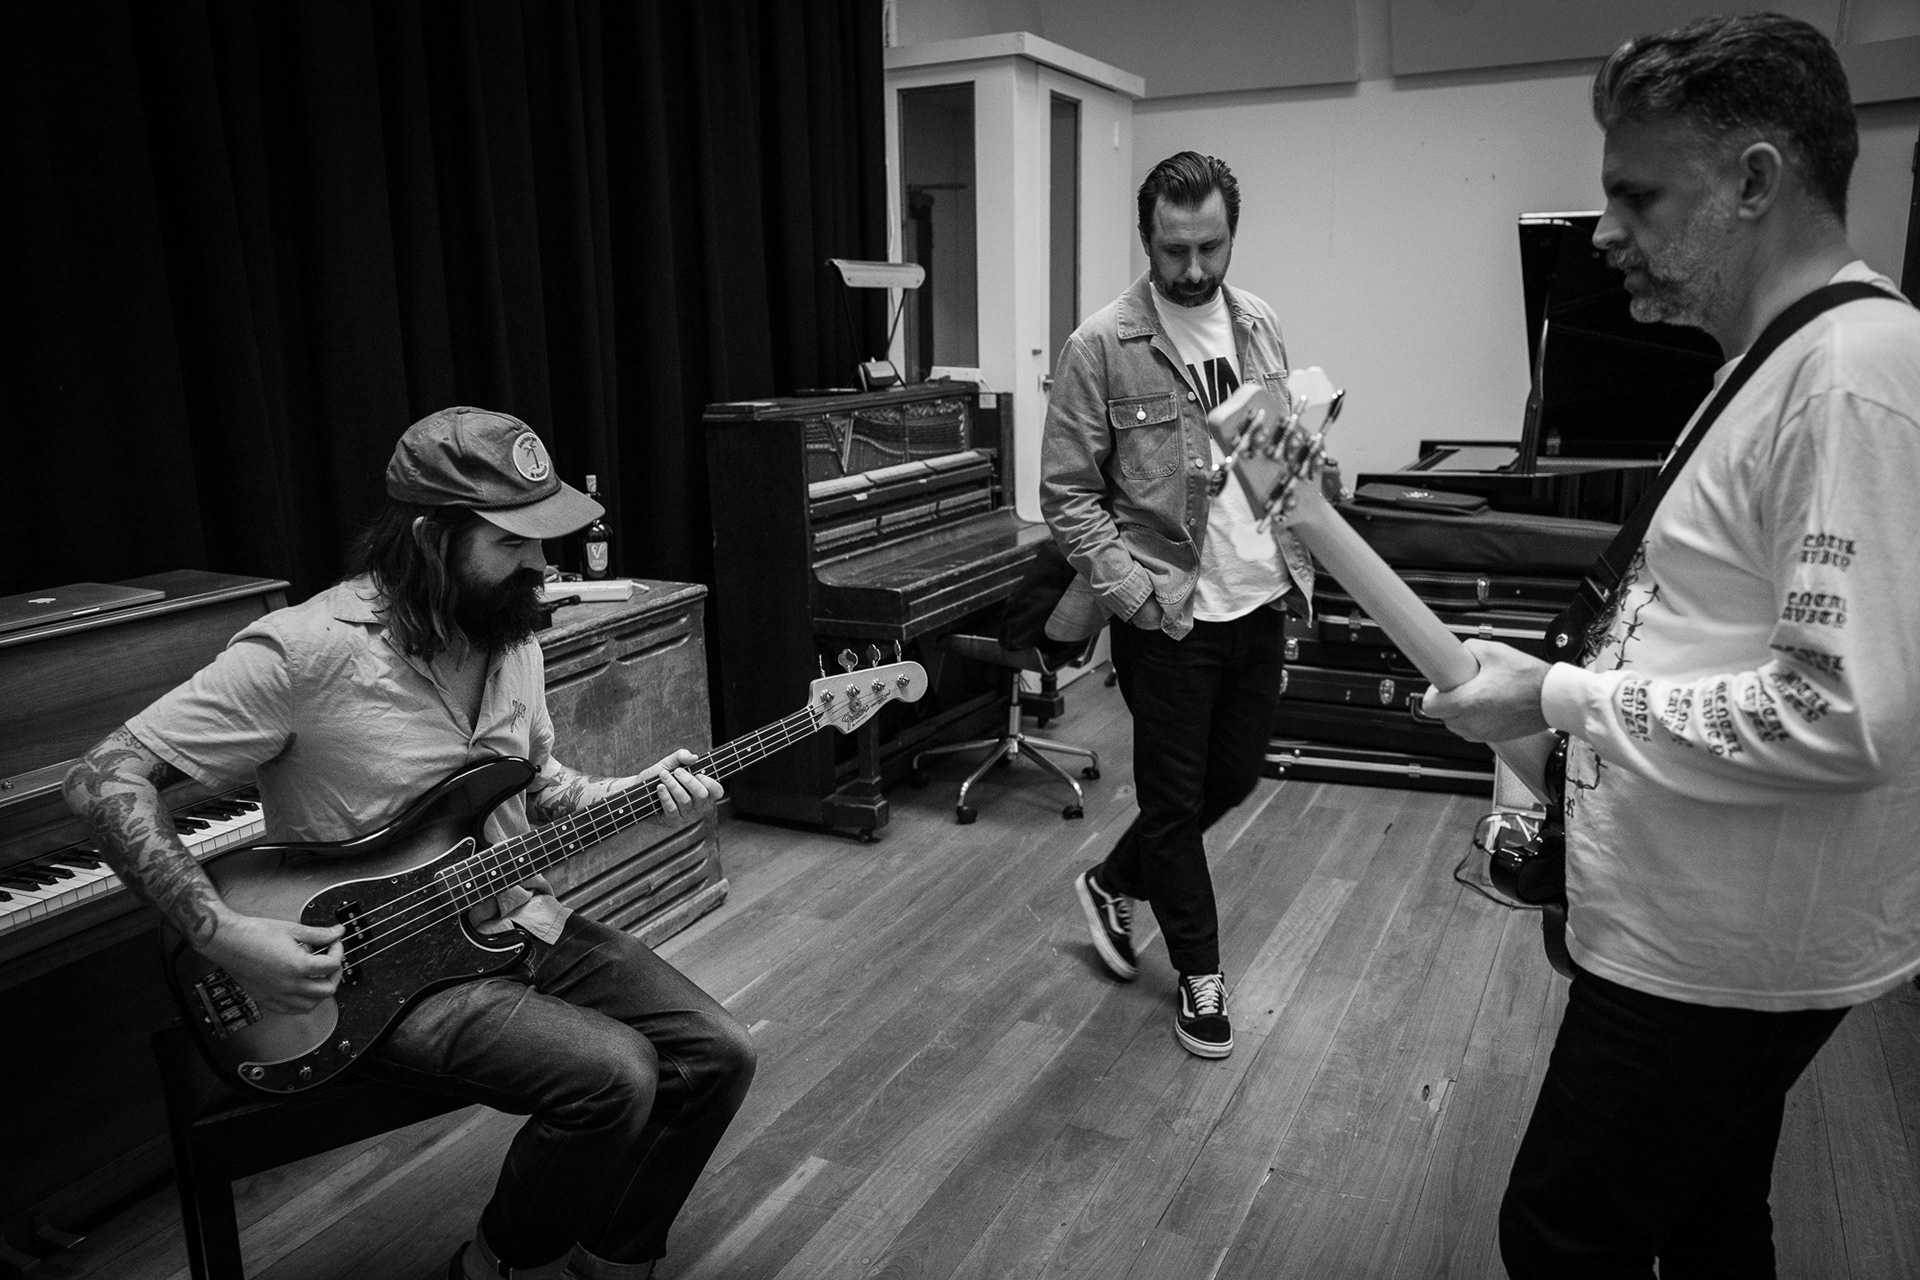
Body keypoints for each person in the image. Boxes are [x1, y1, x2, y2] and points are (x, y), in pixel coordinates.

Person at [1421, 15, 1920, 1276]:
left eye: (1636, 195)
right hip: (1707, 930)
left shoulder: (1850, 376)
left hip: (1721, 954)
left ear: (1754, 180)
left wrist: (1562, 697)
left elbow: (1839, 714)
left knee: (1561, 1232)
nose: (1604, 232)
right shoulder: (1774, 359)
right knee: (1708, 1218)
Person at [63, 407, 756, 1280]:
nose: (541, 565)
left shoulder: (510, 632)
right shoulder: (303, 652)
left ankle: (613, 1257)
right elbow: (99, 779)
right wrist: (222, 932)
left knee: (719, 1053)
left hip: (515, 923)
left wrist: (635, 794)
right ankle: (495, 1267)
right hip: (373, 971)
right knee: (614, 1078)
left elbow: (540, 784)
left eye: (544, 539)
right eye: (514, 543)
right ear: (432, 538)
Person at [1042, 152, 1313, 1059]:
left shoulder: (1260, 321)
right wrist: (1132, 596)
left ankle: (1112, 881)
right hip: (1168, 611)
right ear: (1145, 236)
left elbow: (1272, 456)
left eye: (1211, 247)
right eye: (1174, 249)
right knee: (1172, 802)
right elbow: (1068, 495)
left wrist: (1306, 462)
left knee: (1230, 778)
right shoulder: (1101, 345)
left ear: (1231, 232)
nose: (1194, 269)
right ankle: (1201, 976)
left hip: (1260, 596)